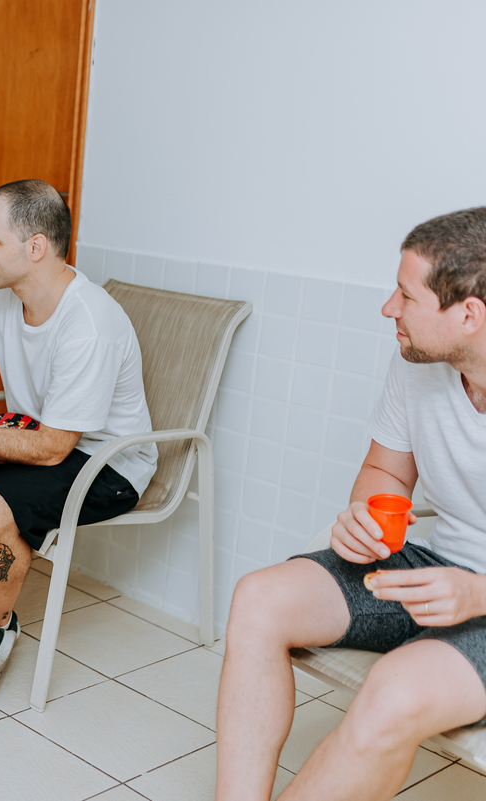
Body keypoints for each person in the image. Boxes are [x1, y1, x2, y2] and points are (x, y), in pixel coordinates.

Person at [215, 207, 486, 801]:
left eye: (406, 295)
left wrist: (475, 594)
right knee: (259, 599)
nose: (389, 307)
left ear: (469, 314)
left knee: (393, 690)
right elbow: (386, 470)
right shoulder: (418, 363)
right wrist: (367, 517)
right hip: (434, 572)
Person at [0, 179, 158, 708]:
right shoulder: (4, 298)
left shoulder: (88, 324)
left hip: (104, 460)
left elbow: (58, 447)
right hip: (35, 436)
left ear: (34, 247)